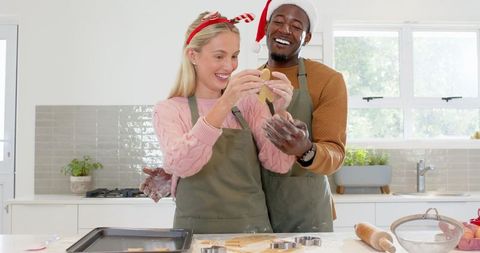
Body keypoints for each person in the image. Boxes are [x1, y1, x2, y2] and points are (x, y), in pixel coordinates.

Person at [140, 11, 296, 234]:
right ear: (193, 55)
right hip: (195, 234)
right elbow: (181, 165)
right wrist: (224, 103)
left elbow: (279, 164)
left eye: (234, 56)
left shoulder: (249, 103)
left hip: (253, 232)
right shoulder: (169, 109)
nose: (230, 66)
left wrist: (280, 113)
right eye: (219, 56)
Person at [254, 0, 348, 232]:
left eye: (296, 26)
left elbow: (335, 153)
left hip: (307, 214)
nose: (285, 30)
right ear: (266, 28)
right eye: (278, 21)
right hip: (255, 211)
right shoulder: (248, 84)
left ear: (307, 38)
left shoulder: (327, 80)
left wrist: (305, 149)